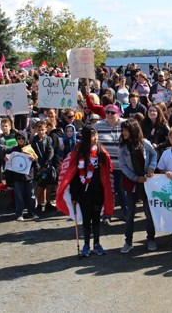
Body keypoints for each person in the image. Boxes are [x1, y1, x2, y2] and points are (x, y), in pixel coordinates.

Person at [57, 126, 114, 257]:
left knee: (96, 218)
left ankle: (97, 243)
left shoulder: (101, 152)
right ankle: (86, 244)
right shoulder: (77, 153)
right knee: (87, 219)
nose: (95, 138)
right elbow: (72, 175)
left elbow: (106, 173)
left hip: (98, 191)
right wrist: (74, 195)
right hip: (84, 193)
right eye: (92, 136)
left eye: (96, 135)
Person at [118, 119, 157, 254]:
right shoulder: (123, 148)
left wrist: (151, 168)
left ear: (133, 130)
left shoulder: (144, 144)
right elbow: (123, 166)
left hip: (146, 183)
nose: (124, 133)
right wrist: (135, 178)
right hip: (131, 183)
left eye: (126, 130)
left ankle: (151, 239)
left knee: (148, 213)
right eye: (123, 130)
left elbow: (153, 154)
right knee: (129, 214)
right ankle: (128, 241)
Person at [94, 104, 126, 222]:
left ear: (118, 113)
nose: (109, 115)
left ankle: (126, 213)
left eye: (112, 112)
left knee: (123, 192)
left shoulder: (125, 124)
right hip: (106, 166)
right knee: (107, 191)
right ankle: (107, 215)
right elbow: (92, 141)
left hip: (122, 166)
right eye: (107, 112)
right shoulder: (98, 125)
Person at [6, 131, 39, 221]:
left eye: (22, 138)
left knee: (31, 196)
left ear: (26, 139)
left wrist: (34, 159)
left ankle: (32, 212)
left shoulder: (30, 149)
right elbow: (8, 162)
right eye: (19, 138)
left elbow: (37, 164)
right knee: (19, 196)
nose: (20, 140)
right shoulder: (14, 150)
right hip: (18, 177)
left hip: (29, 177)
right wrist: (6, 159)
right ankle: (19, 214)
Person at [31, 121, 55, 212]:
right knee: (40, 185)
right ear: (36, 130)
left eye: (43, 130)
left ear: (46, 130)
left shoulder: (48, 139)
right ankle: (39, 204)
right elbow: (33, 154)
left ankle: (48, 203)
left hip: (47, 167)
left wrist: (46, 164)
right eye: (39, 130)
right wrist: (38, 166)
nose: (41, 132)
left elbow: (50, 152)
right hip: (39, 167)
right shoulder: (34, 140)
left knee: (49, 185)